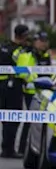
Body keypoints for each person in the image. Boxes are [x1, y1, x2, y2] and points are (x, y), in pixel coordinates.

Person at [1, 24, 32, 159]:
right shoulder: (21, 52)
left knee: (5, 117)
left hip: (1, 85)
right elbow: (24, 72)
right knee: (13, 118)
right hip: (14, 87)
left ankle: (5, 147)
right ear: (23, 36)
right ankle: (9, 149)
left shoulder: (4, 47)